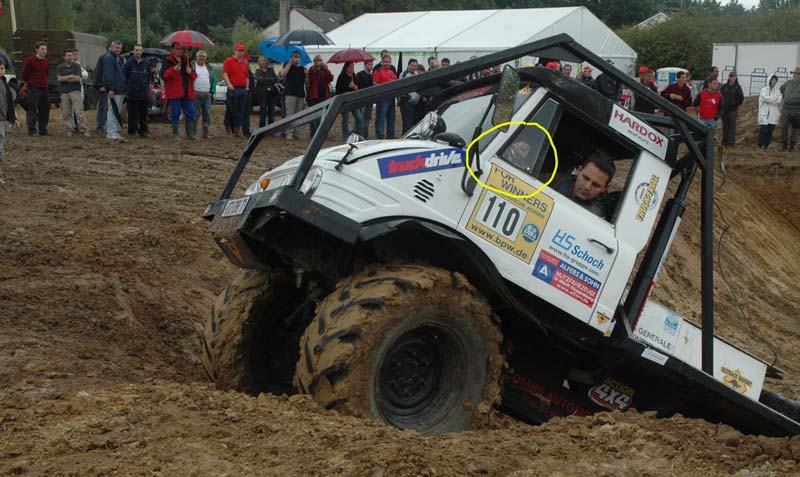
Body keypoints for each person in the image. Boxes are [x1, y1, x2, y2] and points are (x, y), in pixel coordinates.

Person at [162, 41, 198, 140]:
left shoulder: (187, 60)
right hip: (174, 92)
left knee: (191, 111)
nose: (179, 51)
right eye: (177, 49)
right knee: (176, 113)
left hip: (187, 92)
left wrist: (190, 72)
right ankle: (176, 134)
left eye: (181, 49)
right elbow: (164, 77)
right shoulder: (167, 61)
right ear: (172, 50)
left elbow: (194, 77)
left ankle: (190, 134)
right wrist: (173, 70)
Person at [56, 49, 90, 137]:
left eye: (71, 55)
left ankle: (84, 129)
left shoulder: (77, 66)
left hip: (75, 91)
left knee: (79, 111)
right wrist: (70, 76)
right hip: (64, 92)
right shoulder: (60, 67)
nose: (70, 57)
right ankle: (69, 129)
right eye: (68, 55)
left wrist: (65, 79)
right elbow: (59, 78)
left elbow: (78, 78)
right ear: (64, 57)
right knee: (66, 112)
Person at [21, 41, 50, 136]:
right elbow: (24, 74)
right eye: (42, 49)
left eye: (45, 49)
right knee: (32, 109)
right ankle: (32, 129)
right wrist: (31, 82)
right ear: (37, 49)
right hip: (33, 88)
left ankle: (43, 129)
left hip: (44, 88)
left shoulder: (47, 62)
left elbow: (46, 73)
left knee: (45, 109)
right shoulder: (30, 60)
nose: (44, 51)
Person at [222, 44, 250, 138]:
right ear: (235, 51)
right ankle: (228, 130)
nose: (240, 52)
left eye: (242, 51)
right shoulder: (228, 61)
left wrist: (247, 87)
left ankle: (238, 130)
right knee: (230, 110)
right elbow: (225, 73)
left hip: (243, 89)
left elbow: (246, 76)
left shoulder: (244, 63)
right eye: (239, 51)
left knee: (240, 111)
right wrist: (229, 84)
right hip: (233, 89)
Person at [123, 44, 151, 138]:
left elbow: (148, 77)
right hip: (132, 93)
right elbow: (125, 77)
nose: (138, 52)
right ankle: (132, 131)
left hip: (143, 93)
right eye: (136, 50)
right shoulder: (128, 63)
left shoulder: (147, 63)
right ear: (133, 51)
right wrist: (128, 88)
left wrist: (146, 88)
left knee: (143, 114)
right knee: (132, 114)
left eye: (140, 50)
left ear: (142, 52)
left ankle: (143, 131)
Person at [0, 60, 20, 182]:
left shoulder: (4, 83)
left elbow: (10, 103)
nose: (1, 71)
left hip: (2, 121)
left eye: (2, 68)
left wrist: (13, 119)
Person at [102, 40, 126, 141]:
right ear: (111, 47)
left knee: (116, 111)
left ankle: (114, 131)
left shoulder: (116, 58)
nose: (118, 50)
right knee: (112, 110)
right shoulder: (109, 58)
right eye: (116, 47)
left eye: (120, 48)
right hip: (114, 89)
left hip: (120, 89)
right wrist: (111, 88)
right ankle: (111, 132)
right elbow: (108, 74)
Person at [280, 51, 306, 140]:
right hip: (290, 93)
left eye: (298, 57)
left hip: (300, 93)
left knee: (299, 114)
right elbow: (282, 74)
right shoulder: (289, 66)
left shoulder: (302, 68)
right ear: (291, 57)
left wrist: (306, 74)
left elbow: (306, 82)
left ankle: (296, 133)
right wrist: (290, 62)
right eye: (294, 56)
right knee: (290, 114)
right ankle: (289, 133)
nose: (296, 58)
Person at [305, 54, 334, 137]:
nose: (318, 62)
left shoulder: (324, 70)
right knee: (313, 115)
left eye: (320, 60)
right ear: (314, 61)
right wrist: (306, 74)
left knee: (321, 116)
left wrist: (327, 69)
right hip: (313, 96)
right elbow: (307, 82)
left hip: (323, 96)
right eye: (317, 60)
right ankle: (313, 133)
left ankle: (318, 133)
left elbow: (330, 78)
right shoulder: (311, 70)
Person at [335, 61, 363, 140]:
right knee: (345, 119)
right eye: (350, 67)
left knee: (359, 118)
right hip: (345, 101)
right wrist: (348, 87)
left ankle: (359, 134)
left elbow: (359, 88)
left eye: (353, 67)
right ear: (346, 68)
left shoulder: (355, 76)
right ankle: (345, 136)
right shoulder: (341, 77)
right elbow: (338, 90)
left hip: (354, 100)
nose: (352, 69)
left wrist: (355, 87)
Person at [373, 54, 398, 139]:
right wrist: (387, 85)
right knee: (381, 117)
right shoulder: (378, 71)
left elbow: (396, 82)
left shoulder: (392, 72)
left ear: (390, 62)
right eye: (385, 62)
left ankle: (390, 135)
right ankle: (380, 135)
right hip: (382, 98)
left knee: (392, 118)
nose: (387, 63)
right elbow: (375, 84)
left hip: (391, 98)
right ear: (382, 62)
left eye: (388, 62)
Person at [192, 50, 216, 139]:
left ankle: (205, 133)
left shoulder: (209, 67)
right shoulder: (192, 66)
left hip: (207, 94)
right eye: (200, 56)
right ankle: (193, 133)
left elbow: (214, 80)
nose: (201, 58)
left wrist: (212, 92)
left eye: (203, 56)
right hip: (195, 93)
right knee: (195, 114)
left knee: (207, 114)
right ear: (196, 57)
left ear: (205, 58)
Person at [253, 56, 278, 129]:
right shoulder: (257, 71)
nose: (263, 62)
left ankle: (271, 129)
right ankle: (262, 130)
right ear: (259, 62)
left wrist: (265, 80)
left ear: (267, 62)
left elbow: (275, 80)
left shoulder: (271, 70)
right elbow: (260, 80)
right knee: (263, 112)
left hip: (272, 94)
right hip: (262, 95)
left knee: (271, 113)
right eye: (261, 60)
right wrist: (270, 79)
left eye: (264, 60)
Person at [758, 75, 782, 150]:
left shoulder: (777, 91)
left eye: (775, 80)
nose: (774, 81)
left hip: (773, 114)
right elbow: (765, 98)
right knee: (763, 130)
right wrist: (774, 99)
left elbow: (779, 101)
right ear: (769, 80)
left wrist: (770, 100)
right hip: (764, 113)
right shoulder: (764, 90)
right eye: (772, 80)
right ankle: (760, 145)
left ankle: (766, 146)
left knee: (770, 131)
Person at [720, 72, 744, 147]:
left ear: (735, 78)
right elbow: (720, 96)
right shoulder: (724, 86)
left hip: (733, 110)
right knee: (725, 126)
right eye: (730, 76)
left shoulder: (738, 87)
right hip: (724, 110)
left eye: (733, 76)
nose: (731, 78)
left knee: (731, 126)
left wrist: (735, 103)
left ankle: (731, 143)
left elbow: (741, 98)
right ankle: (724, 142)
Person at [779, 67, 800, 152]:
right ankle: (784, 146)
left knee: (794, 128)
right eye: (795, 74)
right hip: (786, 108)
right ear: (793, 74)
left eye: (798, 74)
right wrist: (785, 97)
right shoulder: (788, 83)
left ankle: (792, 146)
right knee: (784, 127)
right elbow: (781, 89)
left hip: (796, 109)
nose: (796, 75)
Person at [399, 58, 419, 134]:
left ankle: (407, 134)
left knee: (411, 120)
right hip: (407, 101)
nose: (414, 67)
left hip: (414, 102)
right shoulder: (404, 74)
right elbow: (401, 88)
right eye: (412, 65)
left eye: (415, 65)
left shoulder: (416, 73)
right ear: (408, 65)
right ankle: (406, 135)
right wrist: (409, 98)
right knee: (407, 121)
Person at [355, 59, 374, 139]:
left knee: (367, 117)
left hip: (369, 100)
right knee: (360, 117)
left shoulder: (372, 75)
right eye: (369, 64)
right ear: (365, 65)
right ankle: (358, 133)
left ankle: (364, 134)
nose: (371, 66)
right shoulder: (360, 74)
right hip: (362, 100)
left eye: (372, 64)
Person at [94, 44, 110, 132]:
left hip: (115, 87)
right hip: (104, 86)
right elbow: (98, 72)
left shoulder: (118, 58)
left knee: (112, 107)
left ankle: (111, 125)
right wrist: (100, 85)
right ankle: (100, 125)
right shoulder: (102, 58)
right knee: (102, 106)